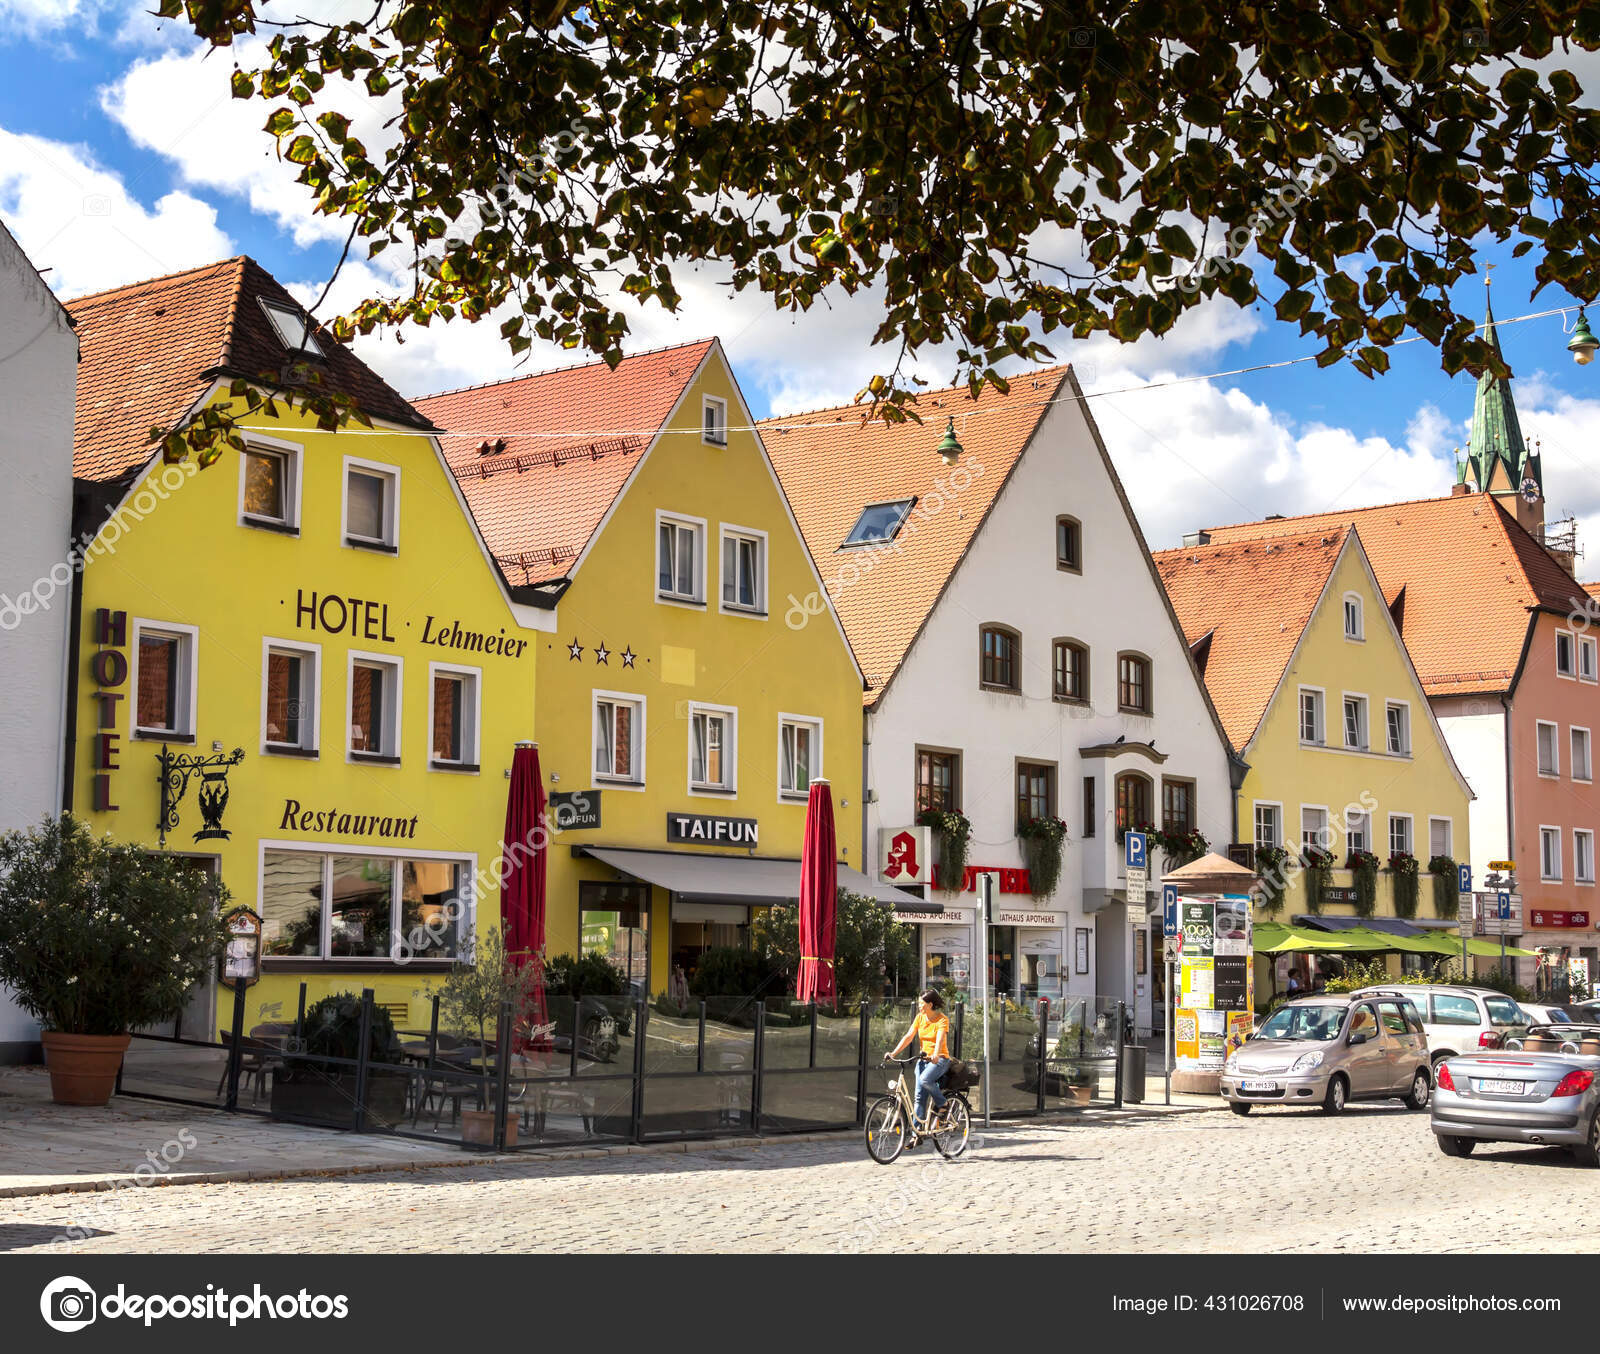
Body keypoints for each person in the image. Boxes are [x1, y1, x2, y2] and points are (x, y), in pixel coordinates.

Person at [888, 989, 951, 1131]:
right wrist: (893, 1053)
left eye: (921, 1003)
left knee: (924, 1080)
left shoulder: (942, 1019)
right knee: (919, 1098)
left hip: (939, 1060)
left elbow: (940, 1039)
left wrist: (935, 1054)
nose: (919, 1006)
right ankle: (917, 1134)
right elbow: (908, 1036)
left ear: (930, 1004)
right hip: (923, 1061)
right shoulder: (920, 1018)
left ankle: (943, 1104)